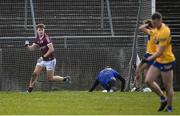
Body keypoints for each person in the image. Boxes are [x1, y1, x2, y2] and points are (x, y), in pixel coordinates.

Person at [25, 23, 71, 93]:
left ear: (44, 30)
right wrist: (27, 46)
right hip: (43, 59)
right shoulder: (37, 39)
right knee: (34, 74)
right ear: (37, 31)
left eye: (42, 30)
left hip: (50, 60)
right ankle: (29, 90)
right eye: (39, 30)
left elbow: (51, 49)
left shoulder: (46, 38)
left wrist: (44, 56)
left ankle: (64, 79)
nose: (41, 31)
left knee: (50, 78)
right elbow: (32, 48)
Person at [145, 12, 176, 112]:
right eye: (152, 23)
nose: (153, 25)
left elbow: (160, 52)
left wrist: (148, 59)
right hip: (158, 60)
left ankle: (170, 108)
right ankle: (163, 98)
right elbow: (142, 28)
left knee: (168, 86)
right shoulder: (155, 29)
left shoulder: (164, 31)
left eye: (155, 23)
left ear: (160, 21)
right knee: (148, 81)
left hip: (167, 60)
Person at [131, 19, 156, 92]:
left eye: (144, 24)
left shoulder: (152, 32)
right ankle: (147, 88)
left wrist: (147, 24)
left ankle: (138, 87)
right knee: (145, 71)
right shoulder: (154, 32)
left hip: (150, 55)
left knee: (138, 70)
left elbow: (141, 28)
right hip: (150, 55)